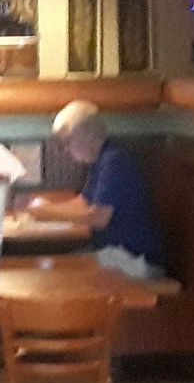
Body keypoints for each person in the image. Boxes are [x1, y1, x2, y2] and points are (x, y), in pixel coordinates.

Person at [30, 100, 168, 278]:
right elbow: (84, 201)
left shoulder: (115, 161)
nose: (65, 150)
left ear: (86, 134)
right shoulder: (102, 159)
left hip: (138, 261)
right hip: (116, 254)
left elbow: (98, 217)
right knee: (58, 268)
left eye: (67, 141)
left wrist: (48, 214)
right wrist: (45, 207)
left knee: (59, 274)